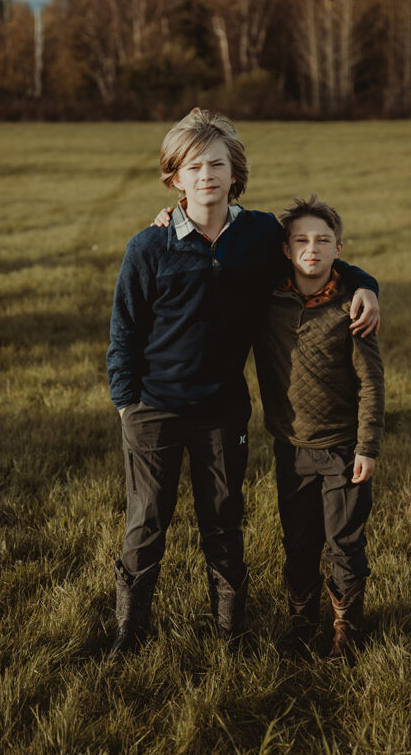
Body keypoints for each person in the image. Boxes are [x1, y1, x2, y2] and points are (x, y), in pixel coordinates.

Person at [106, 109, 380, 656]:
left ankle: (231, 634)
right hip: (154, 408)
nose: (206, 174)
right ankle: (127, 632)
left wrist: (365, 283)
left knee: (224, 523)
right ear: (174, 178)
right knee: (146, 524)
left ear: (235, 174)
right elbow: (124, 330)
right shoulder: (148, 247)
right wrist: (126, 404)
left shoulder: (257, 235)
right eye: (192, 166)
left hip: (223, 410)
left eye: (217, 164)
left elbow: (312, 253)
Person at [253, 195, 385, 660]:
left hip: (343, 451)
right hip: (290, 449)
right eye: (302, 240)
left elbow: (372, 384)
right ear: (286, 250)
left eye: (323, 240)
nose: (312, 248)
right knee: (299, 541)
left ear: (339, 249)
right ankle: (301, 623)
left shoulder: (352, 308)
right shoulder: (266, 301)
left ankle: (347, 632)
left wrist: (367, 448)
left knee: (345, 543)